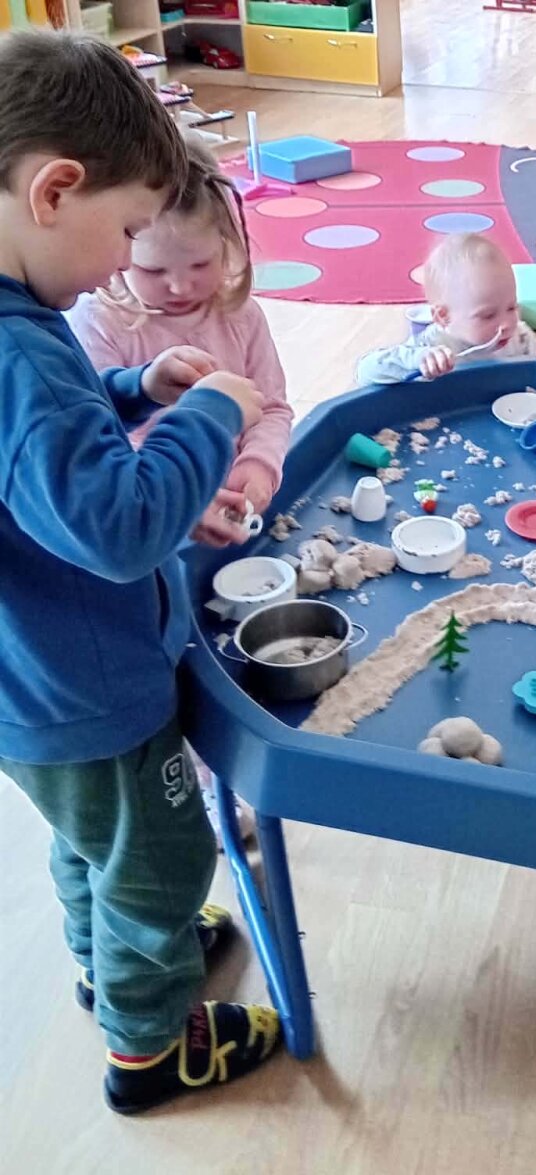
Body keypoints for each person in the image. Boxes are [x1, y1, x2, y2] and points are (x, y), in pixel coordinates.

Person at [0, 30, 279, 1114]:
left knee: (92, 842)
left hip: (33, 678)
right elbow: (118, 528)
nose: (126, 262)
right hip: (89, 681)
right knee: (161, 854)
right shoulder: (20, 349)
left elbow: (41, 453)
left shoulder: (21, 315)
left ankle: (107, 957)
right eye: (124, 231)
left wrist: (130, 388)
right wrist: (209, 413)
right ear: (55, 190)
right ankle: (151, 1043)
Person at [69, 136, 293, 546]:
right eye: (153, 271)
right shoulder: (99, 322)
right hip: (151, 510)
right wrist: (182, 496)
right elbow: (102, 442)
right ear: (121, 254)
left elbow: (272, 407)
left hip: (230, 502)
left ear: (227, 245)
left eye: (200, 264)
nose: (179, 286)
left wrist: (260, 464)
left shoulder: (241, 315)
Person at [356, 232, 536, 384]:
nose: (507, 324)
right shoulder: (432, 346)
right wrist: (416, 360)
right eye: (487, 315)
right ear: (444, 317)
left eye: (511, 307)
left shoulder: (518, 336)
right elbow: (365, 372)